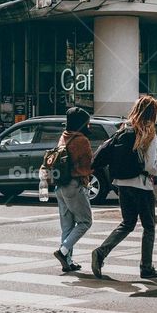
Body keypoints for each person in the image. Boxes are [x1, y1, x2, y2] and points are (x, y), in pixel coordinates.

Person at [91, 94, 157, 280]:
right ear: (153, 113)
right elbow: (151, 167)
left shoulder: (124, 129)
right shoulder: (148, 132)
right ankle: (146, 267)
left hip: (122, 185)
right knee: (149, 227)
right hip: (141, 186)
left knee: (127, 224)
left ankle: (101, 252)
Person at [52, 106, 93, 273]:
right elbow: (89, 164)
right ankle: (63, 251)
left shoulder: (64, 136)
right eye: (87, 123)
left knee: (67, 226)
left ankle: (67, 262)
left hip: (60, 185)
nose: (89, 126)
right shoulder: (82, 140)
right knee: (85, 222)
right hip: (74, 185)